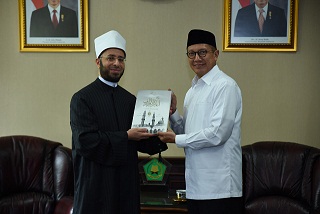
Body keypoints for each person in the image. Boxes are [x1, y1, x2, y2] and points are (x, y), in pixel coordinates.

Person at [70, 30, 167, 214]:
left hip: (126, 185)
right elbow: (86, 141)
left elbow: (142, 142)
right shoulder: (82, 98)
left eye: (121, 59)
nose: (116, 63)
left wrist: (162, 125)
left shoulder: (130, 100)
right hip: (95, 186)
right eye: (111, 58)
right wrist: (125, 136)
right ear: (98, 62)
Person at [158, 29, 243, 214]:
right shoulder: (193, 90)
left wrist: (176, 140)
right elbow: (186, 132)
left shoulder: (225, 86)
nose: (197, 58)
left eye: (202, 52)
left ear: (216, 54)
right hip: (196, 186)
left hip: (220, 189)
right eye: (191, 53)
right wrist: (172, 113)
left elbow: (217, 134)